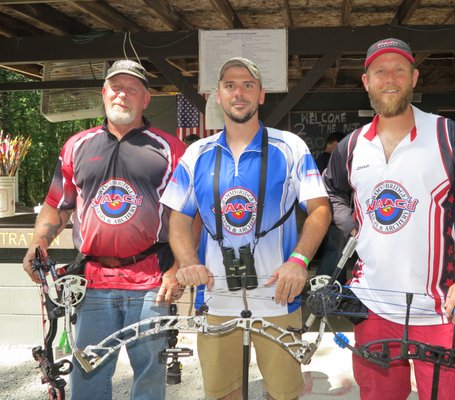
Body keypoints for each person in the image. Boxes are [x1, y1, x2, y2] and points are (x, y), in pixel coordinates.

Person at [323, 38, 455, 400]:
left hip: (440, 307)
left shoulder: (448, 135)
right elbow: (332, 192)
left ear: (414, 77)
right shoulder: (351, 146)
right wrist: (350, 222)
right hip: (373, 306)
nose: (390, 78)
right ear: (365, 81)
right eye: (380, 71)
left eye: (399, 70)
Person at [160, 57, 331, 400]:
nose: (239, 93)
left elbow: (320, 209)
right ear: (218, 96)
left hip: (278, 297)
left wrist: (298, 260)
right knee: (223, 393)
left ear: (262, 95)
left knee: (283, 394)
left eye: (248, 85)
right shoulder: (196, 153)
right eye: (230, 86)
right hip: (217, 296)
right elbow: (178, 218)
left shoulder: (291, 147)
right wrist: (188, 262)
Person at [22, 59, 187, 400]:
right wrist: (38, 242)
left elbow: (189, 215)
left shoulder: (170, 149)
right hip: (93, 282)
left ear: (145, 99)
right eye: (115, 87)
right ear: (103, 93)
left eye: (132, 89)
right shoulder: (77, 146)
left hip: (150, 282)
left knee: (149, 378)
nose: (121, 95)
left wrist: (178, 268)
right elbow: (58, 204)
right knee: (88, 376)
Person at [313, 132, 347, 282]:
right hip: (334, 213)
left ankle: (331, 284)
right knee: (337, 249)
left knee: (336, 249)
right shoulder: (329, 162)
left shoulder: (318, 160)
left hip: (325, 212)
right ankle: (328, 284)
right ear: (335, 144)